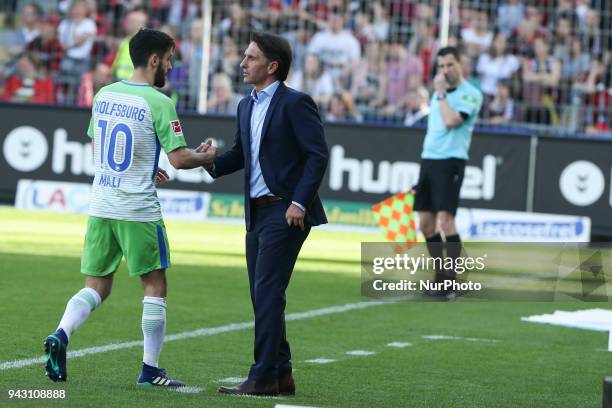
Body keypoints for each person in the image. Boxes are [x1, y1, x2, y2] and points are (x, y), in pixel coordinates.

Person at [43, 28, 217, 387]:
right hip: (138, 210)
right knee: (155, 285)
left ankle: (61, 333)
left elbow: (99, 144)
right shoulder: (159, 102)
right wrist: (206, 156)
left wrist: (140, 166)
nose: (170, 65)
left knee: (96, 286)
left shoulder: (105, 94)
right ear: (154, 59)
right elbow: (180, 159)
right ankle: (150, 370)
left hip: (101, 205)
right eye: (168, 59)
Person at [206, 31, 328, 396]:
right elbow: (240, 155)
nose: (242, 63)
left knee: (268, 291)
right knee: (264, 296)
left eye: (251, 58)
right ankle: (282, 374)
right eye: (244, 57)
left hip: (286, 212)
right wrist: (205, 161)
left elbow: (317, 155)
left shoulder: (296, 103)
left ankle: (261, 377)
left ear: (272, 66)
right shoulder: (245, 105)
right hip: (256, 214)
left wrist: (299, 203)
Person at [413, 46, 483, 299]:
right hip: (429, 161)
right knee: (426, 224)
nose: (445, 70)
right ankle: (441, 277)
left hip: (451, 161)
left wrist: (441, 95)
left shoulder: (470, 94)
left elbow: (452, 121)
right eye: (441, 66)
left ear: (461, 63)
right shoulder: (438, 94)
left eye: (450, 65)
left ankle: (452, 280)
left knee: (446, 221)